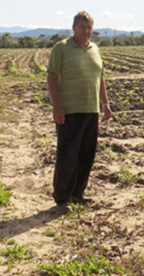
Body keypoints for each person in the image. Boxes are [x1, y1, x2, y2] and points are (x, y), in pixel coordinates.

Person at [47, 11, 112, 208]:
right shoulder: (62, 48)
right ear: (74, 28)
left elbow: (100, 78)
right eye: (82, 27)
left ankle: (78, 193)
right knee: (67, 155)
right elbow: (51, 78)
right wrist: (57, 107)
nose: (86, 31)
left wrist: (106, 104)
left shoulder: (95, 49)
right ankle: (62, 197)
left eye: (89, 27)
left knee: (86, 154)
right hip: (69, 110)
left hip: (90, 109)